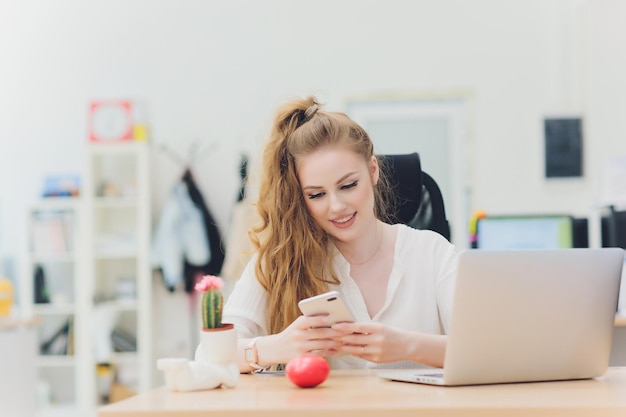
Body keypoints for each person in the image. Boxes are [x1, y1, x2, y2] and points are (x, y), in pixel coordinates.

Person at [221, 96, 458, 373]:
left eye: (348, 185)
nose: (336, 206)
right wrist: (278, 346)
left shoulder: (432, 253)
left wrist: (407, 346)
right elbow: (210, 355)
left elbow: (486, 351)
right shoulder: (282, 260)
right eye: (317, 194)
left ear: (372, 171)